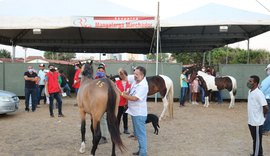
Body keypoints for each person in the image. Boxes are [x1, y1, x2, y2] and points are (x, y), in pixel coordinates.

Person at [121, 66, 148, 156]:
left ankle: (143, 153)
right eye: (134, 74)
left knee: (141, 134)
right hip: (134, 111)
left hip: (139, 113)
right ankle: (141, 151)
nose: (134, 76)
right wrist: (121, 72)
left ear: (142, 75)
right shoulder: (136, 81)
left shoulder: (143, 86)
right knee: (137, 134)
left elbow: (134, 98)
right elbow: (130, 90)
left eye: (136, 74)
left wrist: (122, 95)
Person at [247, 75, 268, 156]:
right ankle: (259, 153)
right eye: (249, 81)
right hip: (251, 121)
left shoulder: (259, 93)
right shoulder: (250, 91)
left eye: (250, 81)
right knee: (255, 140)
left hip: (257, 123)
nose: (248, 82)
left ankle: (257, 154)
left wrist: (263, 116)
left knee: (257, 140)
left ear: (255, 83)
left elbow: (265, 107)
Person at [115, 68, 131, 134]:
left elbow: (128, 92)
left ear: (125, 74)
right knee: (118, 116)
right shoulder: (117, 82)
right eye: (120, 74)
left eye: (122, 74)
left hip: (125, 102)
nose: (121, 75)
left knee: (125, 116)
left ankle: (125, 129)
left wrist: (126, 102)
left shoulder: (129, 82)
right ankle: (117, 129)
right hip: (119, 103)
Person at [260, 64, 270, 136]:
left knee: (267, 114)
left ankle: (265, 129)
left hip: (267, 98)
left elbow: (262, 89)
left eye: (267, 70)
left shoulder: (268, 79)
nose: (267, 71)